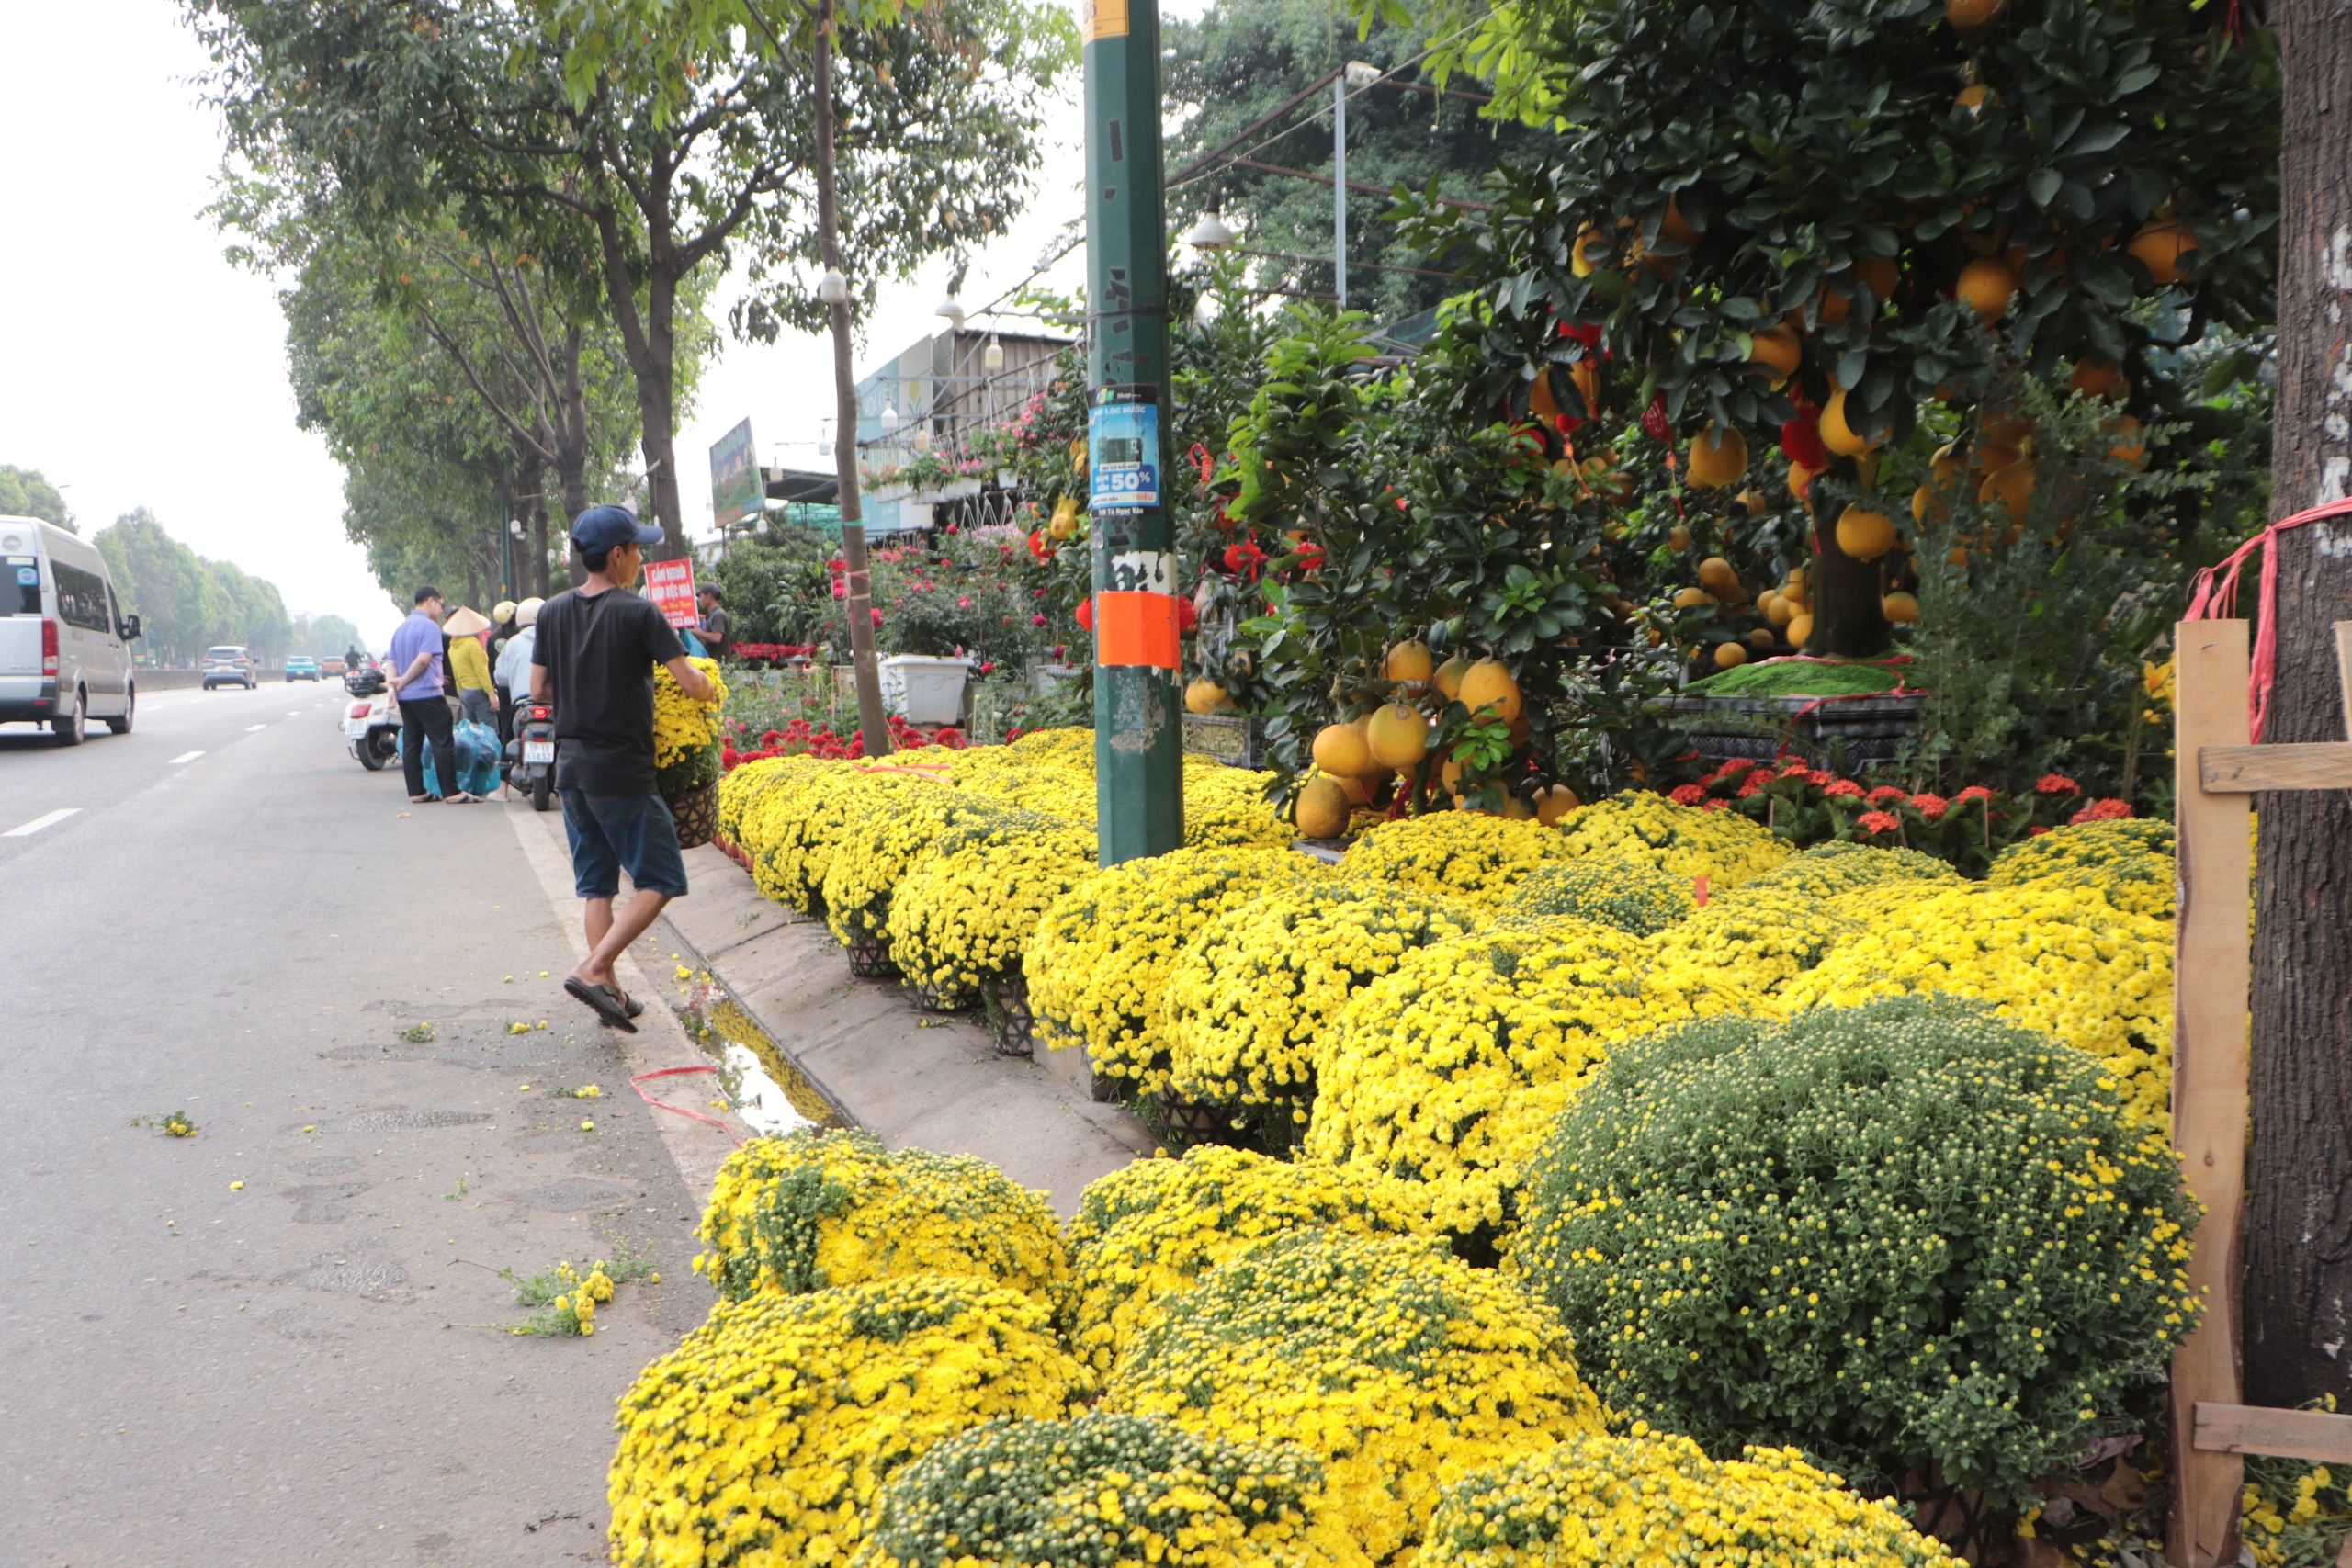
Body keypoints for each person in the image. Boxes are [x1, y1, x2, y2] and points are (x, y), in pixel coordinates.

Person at [533, 506, 717, 1031]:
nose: (640, 557)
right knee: (661, 877)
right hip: (621, 773)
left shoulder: (551, 612)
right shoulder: (639, 612)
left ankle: (608, 990)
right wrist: (707, 686)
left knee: (596, 886)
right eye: (637, 549)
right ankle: (593, 969)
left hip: (571, 771)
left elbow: (540, 690)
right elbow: (688, 681)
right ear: (617, 555)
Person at [388, 586, 469, 803]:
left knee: (412, 743)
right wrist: (404, 680)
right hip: (428, 694)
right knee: (442, 742)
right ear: (430, 601)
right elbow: (424, 660)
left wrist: (392, 687)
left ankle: (417, 791)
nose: (441, 610)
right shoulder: (430, 627)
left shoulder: (401, 628)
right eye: (441, 605)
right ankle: (451, 792)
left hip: (406, 698)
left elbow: (391, 662)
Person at [494, 596, 543, 800]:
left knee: (508, 737)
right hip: (552, 701)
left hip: (522, 702)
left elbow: (501, 677)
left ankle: (502, 790)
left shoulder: (512, 643)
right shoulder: (556, 639)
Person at [443, 606, 499, 729]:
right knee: (490, 733)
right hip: (478, 692)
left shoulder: (453, 647)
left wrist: (460, 692)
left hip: (464, 693)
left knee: (472, 732)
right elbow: (481, 671)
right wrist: (491, 695)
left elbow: (456, 673)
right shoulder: (472, 644)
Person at [696, 586, 730, 658]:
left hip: (719, 665)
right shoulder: (712, 614)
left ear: (708, 596)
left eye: (701, 596)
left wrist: (698, 632)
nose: (699, 600)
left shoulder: (718, 614)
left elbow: (717, 637)